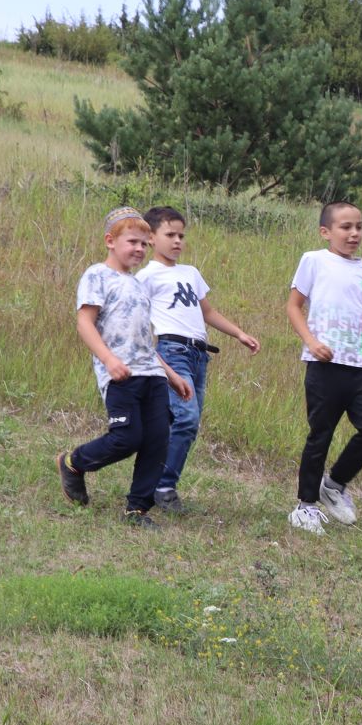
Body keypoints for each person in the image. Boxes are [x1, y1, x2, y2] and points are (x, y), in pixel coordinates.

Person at [56, 206, 194, 528]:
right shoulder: (96, 275)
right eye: (133, 242)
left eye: (145, 244)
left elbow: (146, 341)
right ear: (110, 241)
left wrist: (172, 375)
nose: (140, 249)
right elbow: (85, 323)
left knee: (157, 440)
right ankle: (74, 463)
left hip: (153, 375)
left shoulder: (139, 285)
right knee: (127, 437)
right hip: (121, 375)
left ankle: (137, 510)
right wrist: (109, 359)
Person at [137, 205, 260, 512]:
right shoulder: (146, 276)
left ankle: (154, 481)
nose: (177, 241)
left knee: (182, 423)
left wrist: (239, 333)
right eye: (170, 235)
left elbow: (208, 312)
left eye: (181, 235)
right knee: (186, 417)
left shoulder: (190, 273)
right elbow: (137, 319)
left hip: (199, 355)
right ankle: (164, 486)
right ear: (151, 237)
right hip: (172, 351)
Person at [285, 201, 362, 535]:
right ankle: (306, 506)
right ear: (326, 232)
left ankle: (335, 483)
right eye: (345, 227)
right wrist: (311, 342)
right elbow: (294, 306)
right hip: (324, 364)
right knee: (321, 435)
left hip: (360, 366)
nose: (354, 233)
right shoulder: (314, 261)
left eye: (358, 226)